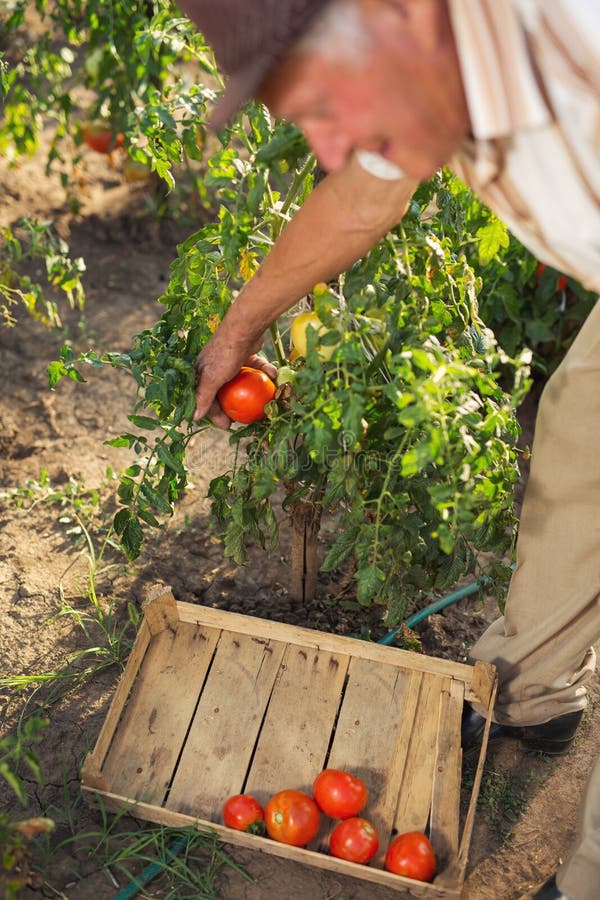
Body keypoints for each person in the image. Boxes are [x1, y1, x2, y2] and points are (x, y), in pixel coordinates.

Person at [178, 2, 600, 898]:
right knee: (579, 433)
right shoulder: (424, 60)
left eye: (327, 101)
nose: (328, 145)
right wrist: (242, 323)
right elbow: (366, 187)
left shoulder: (573, 48)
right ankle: (531, 694)